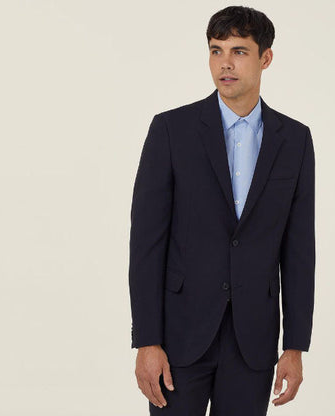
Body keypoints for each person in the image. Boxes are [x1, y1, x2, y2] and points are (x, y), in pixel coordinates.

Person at [128, 5, 315, 416]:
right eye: (216, 50)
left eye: (239, 51)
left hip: (253, 341)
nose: (225, 63)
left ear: (266, 58)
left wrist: (295, 345)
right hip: (179, 337)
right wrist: (147, 340)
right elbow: (146, 244)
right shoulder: (171, 130)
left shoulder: (295, 140)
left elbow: (299, 249)